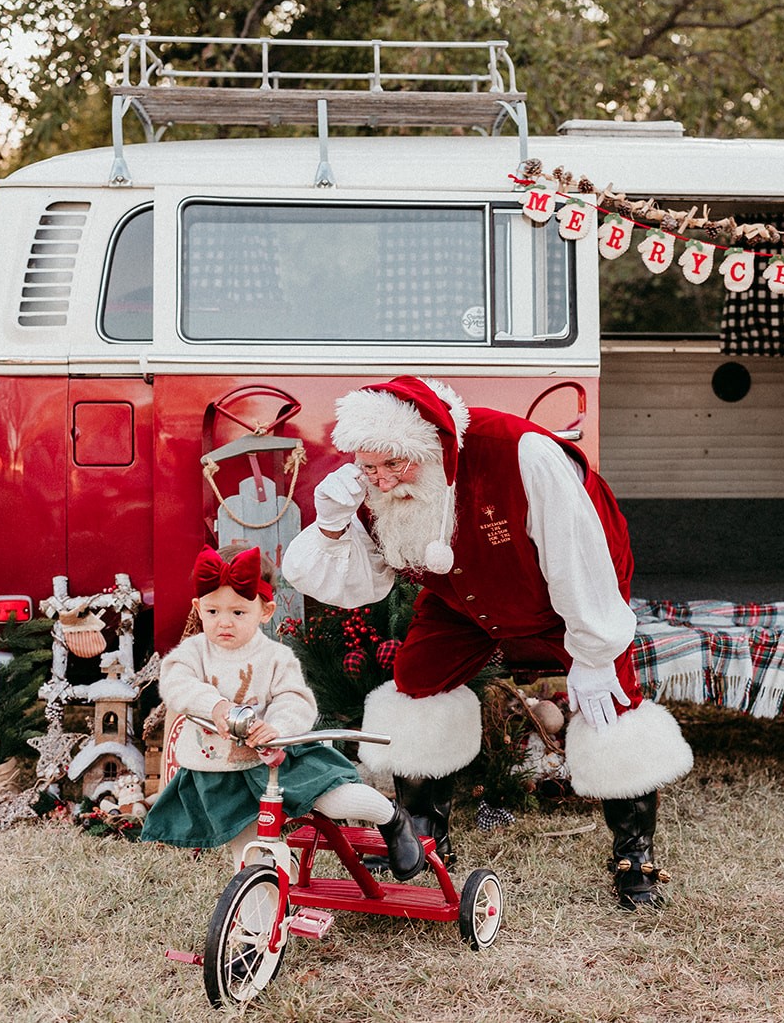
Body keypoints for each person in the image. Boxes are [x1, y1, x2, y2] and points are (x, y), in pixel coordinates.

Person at [281, 376, 693, 908]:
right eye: (369, 468)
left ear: (432, 447)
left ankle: (635, 855)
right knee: (416, 683)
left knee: (611, 701)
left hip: (556, 597)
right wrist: (333, 526)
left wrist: (593, 653)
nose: (381, 482)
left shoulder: (522, 455)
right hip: (460, 603)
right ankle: (425, 831)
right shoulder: (372, 487)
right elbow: (359, 584)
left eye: (394, 466)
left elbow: (581, 558)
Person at [142, 544, 426, 878]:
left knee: (335, 800)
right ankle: (259, 921)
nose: (224, 623)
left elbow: (296, 700)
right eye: (213, 612)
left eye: (238, 612)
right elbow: (176, 683)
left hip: (281, 760)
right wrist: (214, 704)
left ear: (265, 612)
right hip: (220, 771)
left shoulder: (274, 658)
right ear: (198, 609)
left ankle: (392, 818)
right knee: (247, 851)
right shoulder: (192, 653)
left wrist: (276, 726)